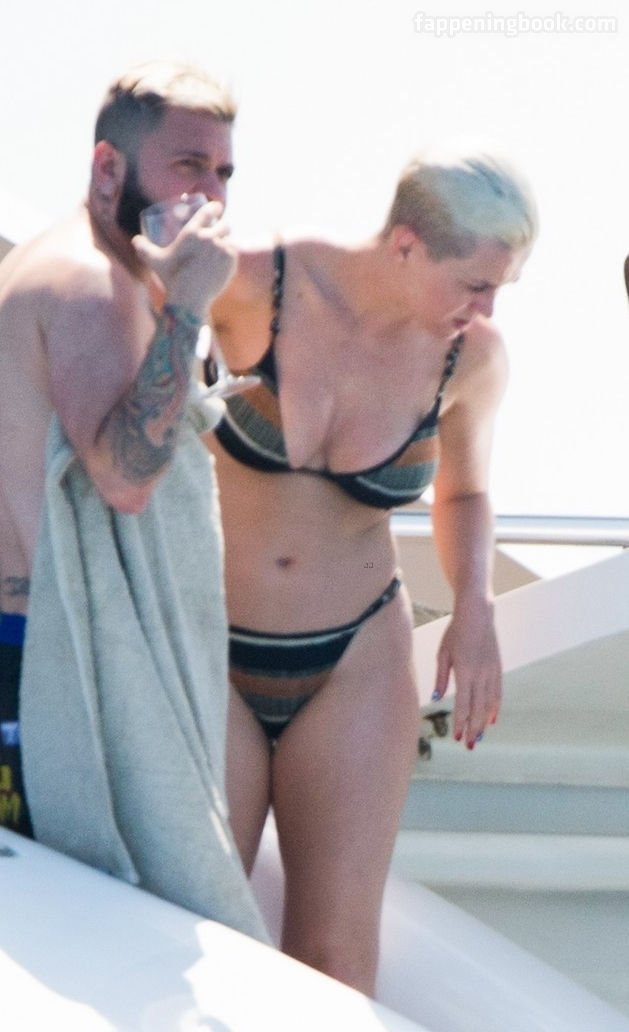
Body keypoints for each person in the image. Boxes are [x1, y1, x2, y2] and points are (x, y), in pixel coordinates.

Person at [205, 145, 538, 993]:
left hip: (353, 661)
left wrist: (474, 606)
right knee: (197, 929)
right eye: (474, 283)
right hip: (208, 646)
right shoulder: (254, 283)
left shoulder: (470, 358)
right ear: (405, 246)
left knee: (335, 961)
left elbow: (464, 493)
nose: (487, 307)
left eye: (500, 288)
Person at [0, 63, 238, 860]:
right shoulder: (89, 285)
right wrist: (190, 306)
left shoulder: (58, 263)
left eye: (223, 173)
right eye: (188, 165)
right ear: (108, 167)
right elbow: (125, 479)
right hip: (43, 668)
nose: (210, 196)